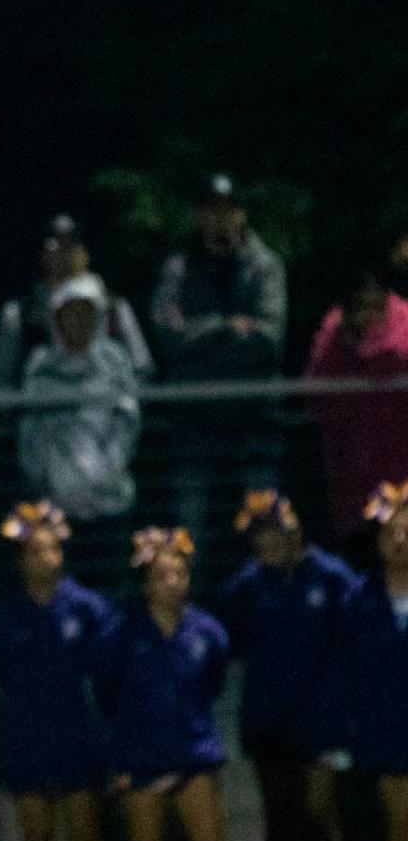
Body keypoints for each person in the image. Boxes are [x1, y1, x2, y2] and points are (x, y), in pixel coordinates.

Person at [92, 527, 257, 841]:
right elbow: (106, 689)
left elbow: (213, 683)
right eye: (164, 575)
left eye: (180, 574)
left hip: (193, 754)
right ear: (147, 580)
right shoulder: (122, 631)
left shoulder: (208, 631)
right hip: (141, 757)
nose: (173, 583)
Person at [218, 491, 358, 841]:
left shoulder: (333, 579)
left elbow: (357, 641)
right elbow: (226, 647)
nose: (265, 546)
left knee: (319, 815)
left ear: (292, 529)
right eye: (257, 539)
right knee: (279, 822)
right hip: (268, 720)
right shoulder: (245, 588)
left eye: (271, 534)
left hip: (321, 720)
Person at [0, 501, 114, 841]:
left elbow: (109, 676)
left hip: (78, 736)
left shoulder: (89, 608)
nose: (46, 559)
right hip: (27, 737)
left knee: (84, 840)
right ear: (21, 558)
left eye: (53, 550)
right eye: (36, 551)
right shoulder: (7, 615)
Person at [149, 174, 288, 564]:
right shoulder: (177, 268)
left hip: (255, 424)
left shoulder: (266, 266)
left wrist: (198, 335)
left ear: (242, 215)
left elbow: (268, 341)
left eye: (229, 211)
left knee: (265, 536)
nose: (220, 220)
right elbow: (167, 338)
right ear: (199, 217)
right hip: (193, 425)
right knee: (189, 537)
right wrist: (228, 328)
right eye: (211, 211)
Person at [18, 274, 140, 592]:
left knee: (113, 594)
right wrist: (51, 482)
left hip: (110, 506)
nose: (79, 322)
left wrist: (104, 475)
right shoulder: (40, 366)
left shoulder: (115, 362)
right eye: (70, 313)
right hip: (58, 511)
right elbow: (31, 433)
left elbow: (127, 424)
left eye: (87, 313)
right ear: (56, 318)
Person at [304, 253, 408, 567]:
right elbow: (316, 381)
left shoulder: (404, 319)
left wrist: (362, 352)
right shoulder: (332, 331)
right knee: (360, 562)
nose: (367, 316)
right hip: (353, 473)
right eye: (359, 307)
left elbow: (398, 354)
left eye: (373, 306)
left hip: (400, 464)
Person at [340, 483, 408, 841]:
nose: (400, 541)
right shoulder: (359, 599)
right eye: (391, 533)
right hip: (388, 728)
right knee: (400, 830)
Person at [0, 213, 154, 390]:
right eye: (56, 244)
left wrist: (120, 409)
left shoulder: (113, 308)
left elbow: (141, 369)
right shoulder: (20, 313)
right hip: (44, 410)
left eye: (71, 244)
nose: (64, 253)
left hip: (102, 410)